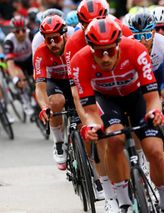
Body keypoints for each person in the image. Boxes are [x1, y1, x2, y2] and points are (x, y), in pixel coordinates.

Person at [72, 17, 164, 213]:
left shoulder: (136, 50)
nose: (105, 58)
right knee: (115, 139)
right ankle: (124, 201)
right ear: (90, 48)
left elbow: (152, 96)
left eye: (110, 50)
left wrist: (155, 111)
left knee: (154, 150)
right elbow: (90, 110)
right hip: (107, 100)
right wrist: (91, 126)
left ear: (118, 44)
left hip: (137, 97)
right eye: (99, 52)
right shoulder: (79, 61)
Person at [64, 0, 114, 208]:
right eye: (86, 24)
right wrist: (87, 123)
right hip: (86, 86)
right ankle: (98, 178)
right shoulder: (74, 44)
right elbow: (76, 93)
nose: (92, 27)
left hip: (112, 84)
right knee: (90, 130)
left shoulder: (119, 30)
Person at [128, 10, 164, 164]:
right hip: (139, 78)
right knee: (134, 112)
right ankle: (140, 156)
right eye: (137, 36)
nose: (142, 41)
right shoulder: (127, 46)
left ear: (153, 33)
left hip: (160, 73)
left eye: (147, 35)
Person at [33, 15, 73, 170]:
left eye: (56, 38)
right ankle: (58, 143)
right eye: (48, 39)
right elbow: (40, 86)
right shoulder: (40, 52)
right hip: (54, 82)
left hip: (72, 81)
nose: (52, 43)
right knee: (56, 102)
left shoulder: (73, 44)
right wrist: (44, 107)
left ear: (64, 35)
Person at [3, 15, 34, 116]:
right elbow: (10, 64)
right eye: (17, 31)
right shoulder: (9, 41)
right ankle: (25, 101)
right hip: (17, 63)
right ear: (13, 32)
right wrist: (15, 79)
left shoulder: (30, 35)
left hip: (29, 60)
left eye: (23, 30)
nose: (21, 34)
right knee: (20, 77)